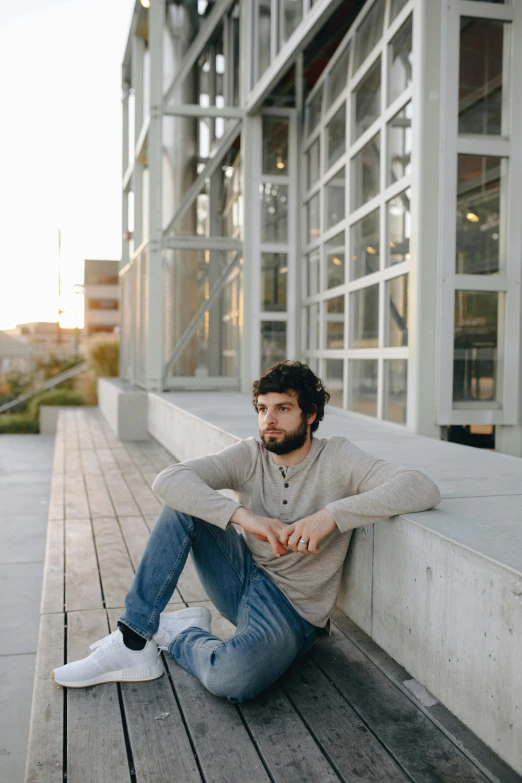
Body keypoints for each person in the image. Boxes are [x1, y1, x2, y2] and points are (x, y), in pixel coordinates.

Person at [52, 361, 441, 701]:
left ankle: (179, 636)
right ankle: (133, 639)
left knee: (230, 677)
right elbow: (171, 479)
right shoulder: (251, 453)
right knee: (183, 505)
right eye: (262, 409)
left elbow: (420, 485)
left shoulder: (337, 457)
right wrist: (244, 517)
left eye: (283, 409)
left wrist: (333, 516)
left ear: (310, 415)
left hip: (293, 611)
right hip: (241, 579)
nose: (268, 420)